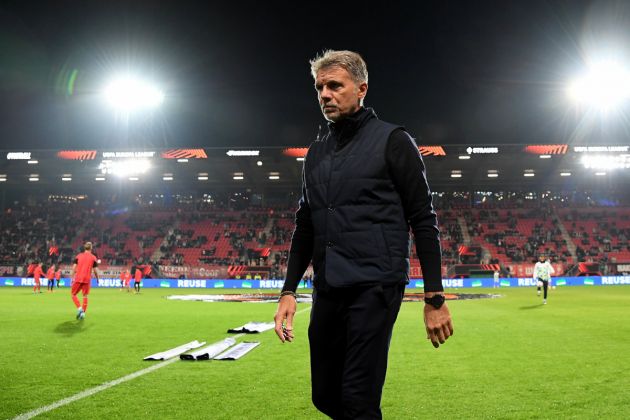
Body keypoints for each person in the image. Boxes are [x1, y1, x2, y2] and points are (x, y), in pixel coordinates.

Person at [273, 50, 453, 419]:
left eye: (335, 85)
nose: (325, 94)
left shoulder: (393, 141)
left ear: (361, 89)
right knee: (325, 396)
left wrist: (434, 298)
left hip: (375, 285)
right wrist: (288, 291)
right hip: (328, 287)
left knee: (358, 398)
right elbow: (305, 225)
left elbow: (423, 219)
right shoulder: (316, 153)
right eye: (320, 87)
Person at [71, 242, 99, 320]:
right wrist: (97, 278)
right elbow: (96, 270)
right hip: (87, 279)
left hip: (78, 278)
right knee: (85, 296)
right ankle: (83, 313)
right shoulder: (93, 257)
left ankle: (79, 309)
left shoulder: (79, 256)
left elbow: (73, 268)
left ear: (84, 248)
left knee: (73, 295)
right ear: (91, 248)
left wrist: (72, 277)